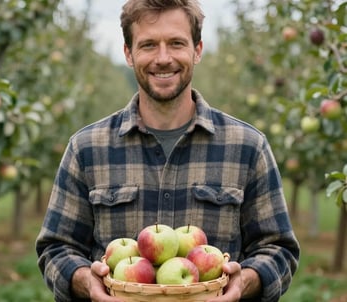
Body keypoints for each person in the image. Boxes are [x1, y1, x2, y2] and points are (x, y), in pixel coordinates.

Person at [36, 0, 300, 301]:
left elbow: (279, 249)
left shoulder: (247, 146)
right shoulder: (86, 148)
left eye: (176, 43)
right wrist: (86, 281)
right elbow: (56, 247)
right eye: (148, 45)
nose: (163, 58)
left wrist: (245, 282)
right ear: (128, 53)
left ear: (197, 50)